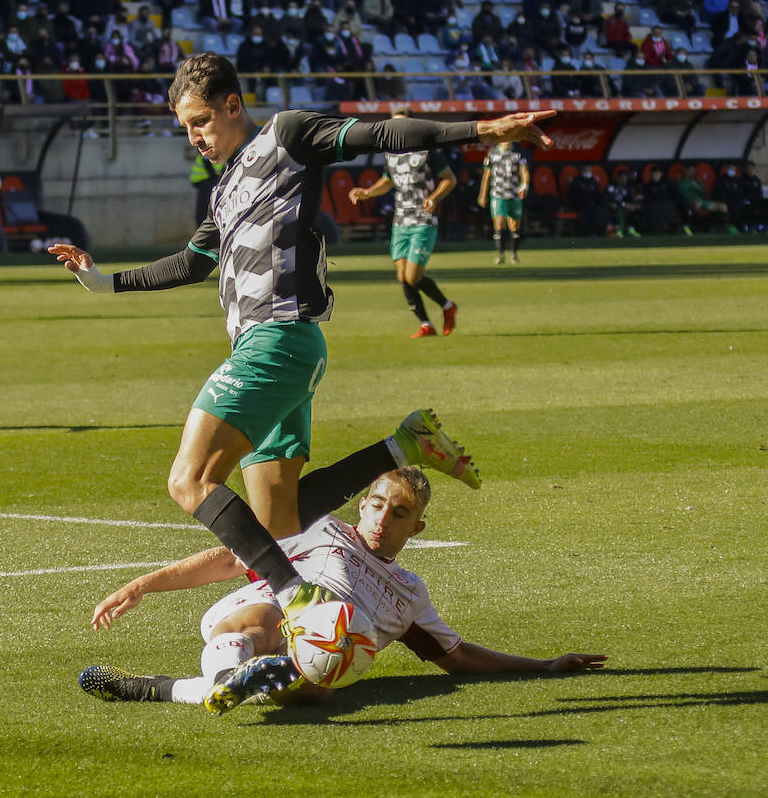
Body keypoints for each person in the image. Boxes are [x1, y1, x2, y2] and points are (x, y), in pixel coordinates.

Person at [48, 53, 553, 626]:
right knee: (276, 527)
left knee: (189, 479)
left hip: (277, 340)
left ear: (233, 104)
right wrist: (102, 281)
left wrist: (484, 130)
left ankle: (298, 599)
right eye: (185, 127)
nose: (194, 137)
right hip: (270, 350)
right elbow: (191, 264)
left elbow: (384, 133)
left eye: (200, 122)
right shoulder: (224, 192)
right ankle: (403, 447)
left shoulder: (287, 136)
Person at [79, 467, 607, 713]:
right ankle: (228, 677)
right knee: (265, 620)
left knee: (320, 687)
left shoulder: (409, 593)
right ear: (363, 506)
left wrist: (543, 666)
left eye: (400, 514)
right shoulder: (318, 528)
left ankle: (175, 687)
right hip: (270, 611)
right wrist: (145, 584)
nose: (383, 519)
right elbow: (226, 559)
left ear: (416, 528)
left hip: (324, 658)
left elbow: (458, 656)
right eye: (377, 505)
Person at [349, 111, 462, 338]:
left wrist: (434, 198)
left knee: (413, 277)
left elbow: (450, 179)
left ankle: (448, 306)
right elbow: (388, 180)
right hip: (401, 220)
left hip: (423, 219)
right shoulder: (391, 153)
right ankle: (426, 324)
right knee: (402, 276)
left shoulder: (428, 152)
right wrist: (368, 192)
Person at [476, 141, 529, 264]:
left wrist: (524, 185)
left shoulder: (519, 154)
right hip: (497, 193)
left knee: (514, 226)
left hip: (514, 194)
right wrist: (482, 194)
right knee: (499, 223)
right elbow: (486, 175)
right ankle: (500, 255)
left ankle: (513, 254)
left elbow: (524, 171)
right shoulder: (492, 154)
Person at [189, 154, 224, 227]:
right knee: (204, 212)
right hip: (206, 184)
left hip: (208, 184)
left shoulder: (208, 153)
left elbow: (210, 168)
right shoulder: (209, 154)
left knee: (204, 212)